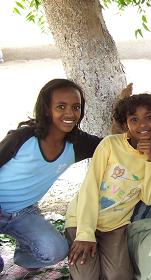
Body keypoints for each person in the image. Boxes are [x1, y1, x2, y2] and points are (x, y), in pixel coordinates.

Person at [64, 93, 151, 279]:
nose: (143, 125)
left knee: (118, 276)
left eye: (149, 118)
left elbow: (150, 198)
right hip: (81, 218)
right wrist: (85, 234)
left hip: (115, 227)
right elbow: (90, 186)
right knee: (86, 276)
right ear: (125, 125)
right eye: (134, 119)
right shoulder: (110, 145)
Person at [0, 79, 102, 271]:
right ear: (47, 109)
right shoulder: (23, 137)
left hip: (23, 212)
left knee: (55, 250)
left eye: (76, 107)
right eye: (61, 106)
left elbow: (113, 146)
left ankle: (23, 251)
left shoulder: (77, 144)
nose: (70, 113)